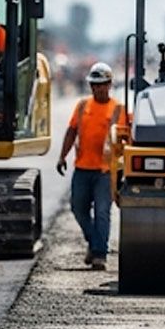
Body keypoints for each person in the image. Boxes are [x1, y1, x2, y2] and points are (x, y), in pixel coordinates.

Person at [56, 62, 123, 270]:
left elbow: (126, 139)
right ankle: (95, 243)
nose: (98, 88)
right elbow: (71, 131)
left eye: (101, 84)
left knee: (102, 212)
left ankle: (99, 255)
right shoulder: (83, 106)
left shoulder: (118, 109)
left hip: (105, 172)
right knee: (78, 208)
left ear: (109, 84)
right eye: (94, 85)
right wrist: (62, 156)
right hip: (83, 168)